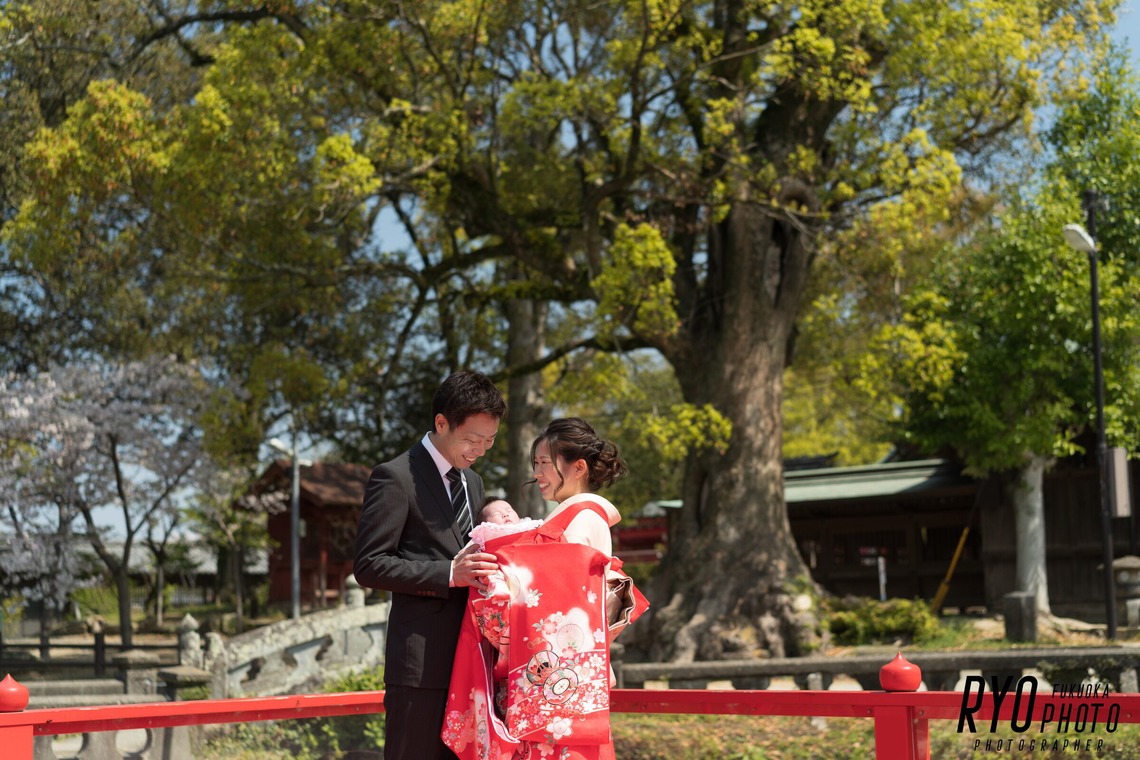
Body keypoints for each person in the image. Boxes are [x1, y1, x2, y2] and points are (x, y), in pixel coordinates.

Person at [442, 417, 647, 760]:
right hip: (557, 672)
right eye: (535, 464)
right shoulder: (567, 520)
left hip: (559, 677)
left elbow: (558, 608)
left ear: (578, 467)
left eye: (545, 464)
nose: (537, 473)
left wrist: (494, 595)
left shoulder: (580, 519)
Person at [353, 370, 507, 760]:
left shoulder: (472, 482)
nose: (480, 450)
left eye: (489, 441)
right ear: (441, 423)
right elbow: (369, 564)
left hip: (472, 661)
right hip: (420, 667)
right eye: (473, 439)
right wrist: (447, 574)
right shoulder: (395, 476)